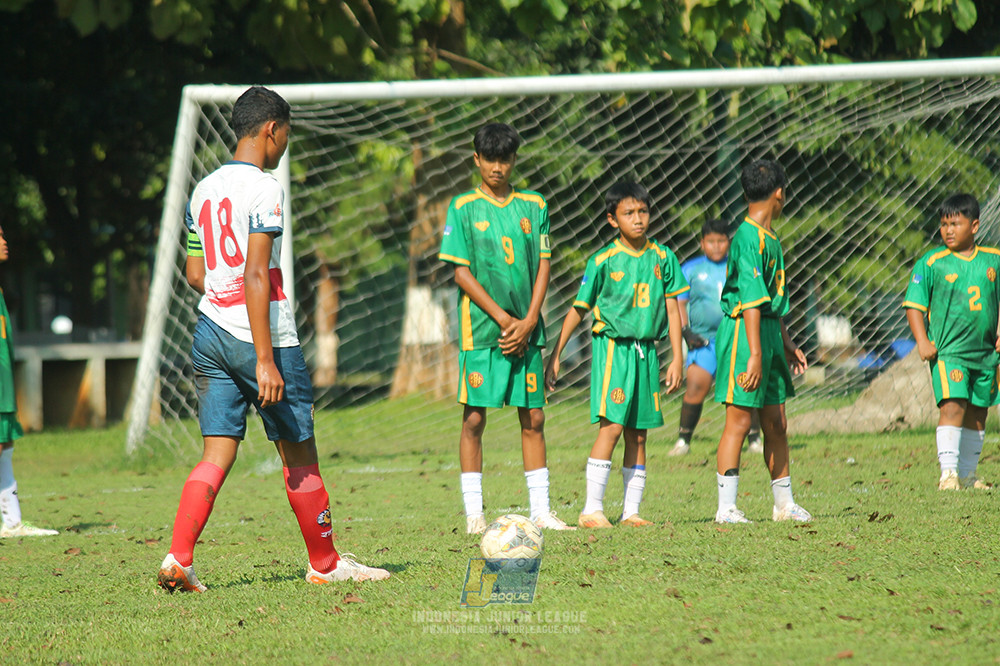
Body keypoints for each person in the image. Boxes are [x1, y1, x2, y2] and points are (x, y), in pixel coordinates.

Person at [158, 87, 389, 592]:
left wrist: (224, 293)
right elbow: (258, 274)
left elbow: (196, 273)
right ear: (271, 130)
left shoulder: (204, 189)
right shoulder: (264, 189)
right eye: (286, 133)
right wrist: (264, 359)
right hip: (262, 339)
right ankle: (326, 564)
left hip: (210, 333)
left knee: (215, 453)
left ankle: (179, 558)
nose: (285, 143)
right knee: (300, 455)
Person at [438, 122, 574, 534]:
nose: (498, 167)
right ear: (476, 159)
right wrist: (503, 319)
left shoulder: (534, 205)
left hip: (527, 331)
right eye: (490, 159)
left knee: (533, 416)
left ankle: (542, 511)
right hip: (483, 332)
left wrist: (530, 319)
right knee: (475, 419)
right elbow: (460, 273)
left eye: (505, 159)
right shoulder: (462, 207)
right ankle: (474, 514)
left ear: (514, 159)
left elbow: (544, 263)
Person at [545, 181, 688, 528]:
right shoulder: (602, 260)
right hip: (614, 351)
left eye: (643, 211)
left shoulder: (663, 257)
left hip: (647, 353)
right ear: (612, 220)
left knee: (639, 433)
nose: (638, 219)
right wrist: (556, 353)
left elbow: (672, 310)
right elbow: (578, 309)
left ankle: (631, 511)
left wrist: (678, 357)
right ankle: (591, 510)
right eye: (629, 213)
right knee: (611, 427)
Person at [713, 159, 811, 524]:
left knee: (777, 421)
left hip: (767, 331)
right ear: (780, 194)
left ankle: (784, 505)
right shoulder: (746, 237)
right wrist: (754, 353)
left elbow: (769, 301)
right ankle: (727, 509)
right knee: (738, 422)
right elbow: (751, 300)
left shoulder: (770, 238)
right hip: (744, 333)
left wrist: (784, 341)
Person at [903, 193, 1000, 491]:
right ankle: (948, 475)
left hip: (985, 354)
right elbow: (914, 306)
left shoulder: (993, 260)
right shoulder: (932, 263)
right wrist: (922, 341)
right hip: (949, 353)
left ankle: (969, 475)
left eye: (955, 224)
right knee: (953, 407)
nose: (947, 230)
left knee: (978, 412)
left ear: (974, 226)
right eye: (944, 224)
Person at [669, 218, 762, 457]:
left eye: (721, 241)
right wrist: (685, 330)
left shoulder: (740, 265)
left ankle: (754, 439)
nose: (717, 246)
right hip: (704, 340)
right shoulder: (690, 268)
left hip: (736, 337)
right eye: (711, 242)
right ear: (702, 243)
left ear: (728, 242)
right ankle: (683, 440)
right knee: (696, 388)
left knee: (745, 387)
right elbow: (679, 303)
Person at [0, 227, 58, 539]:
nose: (5, 241)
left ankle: (12, 523)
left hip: (3, 381)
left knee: (5, 444)